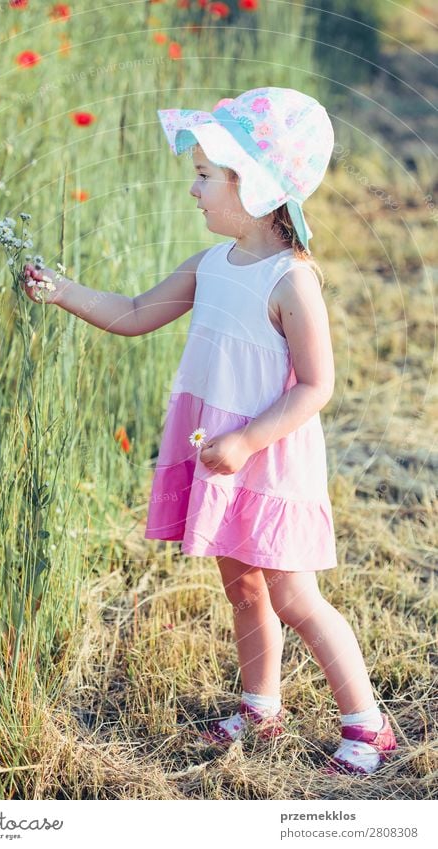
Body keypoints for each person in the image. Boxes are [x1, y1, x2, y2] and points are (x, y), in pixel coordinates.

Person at [21, 87, 397, 776]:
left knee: (293, 594)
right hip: (218, 454)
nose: (193, 191)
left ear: (252, 187)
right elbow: (134, 311)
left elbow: (317, 384)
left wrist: (248, 440)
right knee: (242, 587)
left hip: (267, 454)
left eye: (203, 176)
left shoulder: (291, 280)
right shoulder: (210, 265)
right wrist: (63, 291)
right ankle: (260, 705)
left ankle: (366, 724)